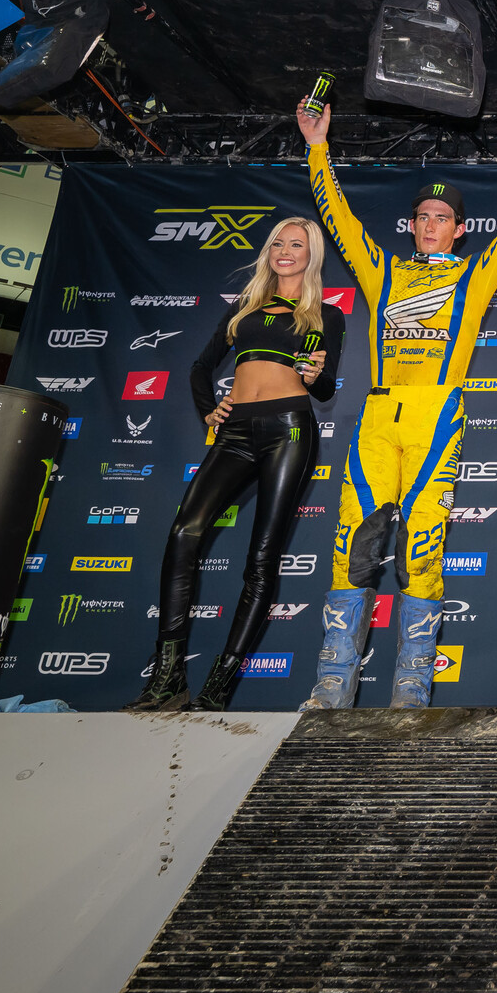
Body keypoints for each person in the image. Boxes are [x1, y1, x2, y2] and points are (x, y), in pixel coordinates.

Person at [293, 94, 497, 709]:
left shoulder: (476, 273)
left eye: (442, 217)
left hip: (438, 414)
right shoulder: (380, 269)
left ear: (461, 229)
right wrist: (317, 148)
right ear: (411, 224)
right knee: (352, 546)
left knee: (422, 550)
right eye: (422, 215)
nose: (431, 223)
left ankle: (410, 691)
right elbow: (336, 216)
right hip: (378, 415)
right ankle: (332, 687)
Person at [128, 217, 342, 712]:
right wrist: (210, 408)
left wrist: (313, 375)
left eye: (297, 244)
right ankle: (168, 676)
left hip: (290, 430)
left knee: (262, 558)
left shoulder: (325, 315)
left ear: (311, 257)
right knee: (184, 533)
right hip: (235, 432)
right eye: (279, 243)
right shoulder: (243, 309)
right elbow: (200, 366)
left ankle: (219, 686)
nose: (286, 251)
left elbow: (327, 387)